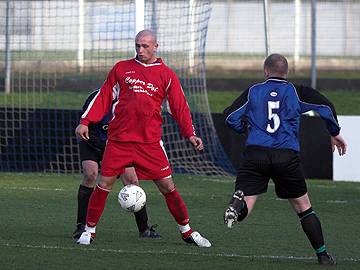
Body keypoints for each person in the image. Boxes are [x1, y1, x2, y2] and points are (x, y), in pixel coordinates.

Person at [74, 29, 211, 247]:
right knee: (104, 183)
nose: (140, 49)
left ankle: (187, 231)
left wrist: (190, 133)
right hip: (119, 140)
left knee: (167, 186)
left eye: (145, 46)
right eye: (137, 45)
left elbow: (180, 107)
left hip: (149, 142)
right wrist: (86, 120)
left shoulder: (166, 75)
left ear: (156, 46)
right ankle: (89, 231)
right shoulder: (121, 68)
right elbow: (104, 96)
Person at [223, 53, 347, 265]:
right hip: (285, 156)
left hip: (256, 154)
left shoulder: (253, 91)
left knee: (248, 201)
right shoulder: (297, 92)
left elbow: (230, 116)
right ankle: (323, 255)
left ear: (265, 71)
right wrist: (333, 131)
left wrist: (246, 128)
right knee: (304, 207)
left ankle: (236, 205)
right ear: (286, 72)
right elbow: (326, 106)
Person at [73, 89, 161, 240]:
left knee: (132, 180)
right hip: (92, 141)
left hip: (118, 144)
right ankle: (81, 226)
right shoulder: (97, 98)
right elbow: (85, 123)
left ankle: (144, 229)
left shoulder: (133, 100)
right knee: (90, 174)